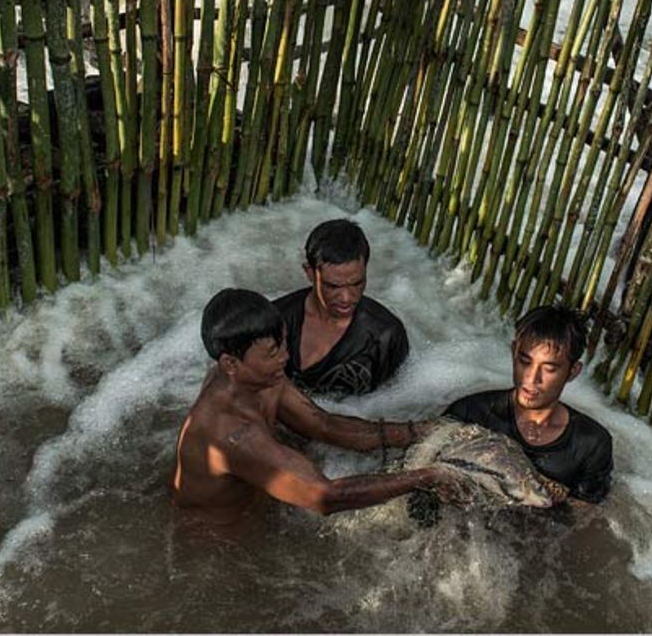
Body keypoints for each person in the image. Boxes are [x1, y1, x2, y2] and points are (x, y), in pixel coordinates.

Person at [172, 288, 448, 524]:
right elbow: (325, 497)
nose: (285, 357)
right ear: (230, 363)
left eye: (284, 343)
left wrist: (422, 432)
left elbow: (321, 424)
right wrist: (431, 476)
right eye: (273, 352)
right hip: (220, 542)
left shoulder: (259, 377)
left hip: (256, 507)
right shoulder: (231, 435)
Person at [444, 306, 613, 504]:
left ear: (573, 371)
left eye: (549, 369)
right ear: (513, 352)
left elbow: (587, 516)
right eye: (525, 361)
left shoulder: (591, 444)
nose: (532, 378)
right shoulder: (471, 413)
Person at [272, 219, 410, 397]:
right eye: (333, 286)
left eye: (357, 284)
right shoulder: (275, 319)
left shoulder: (385, 336)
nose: (346, 298)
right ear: (310, 273)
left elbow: (400, 400)